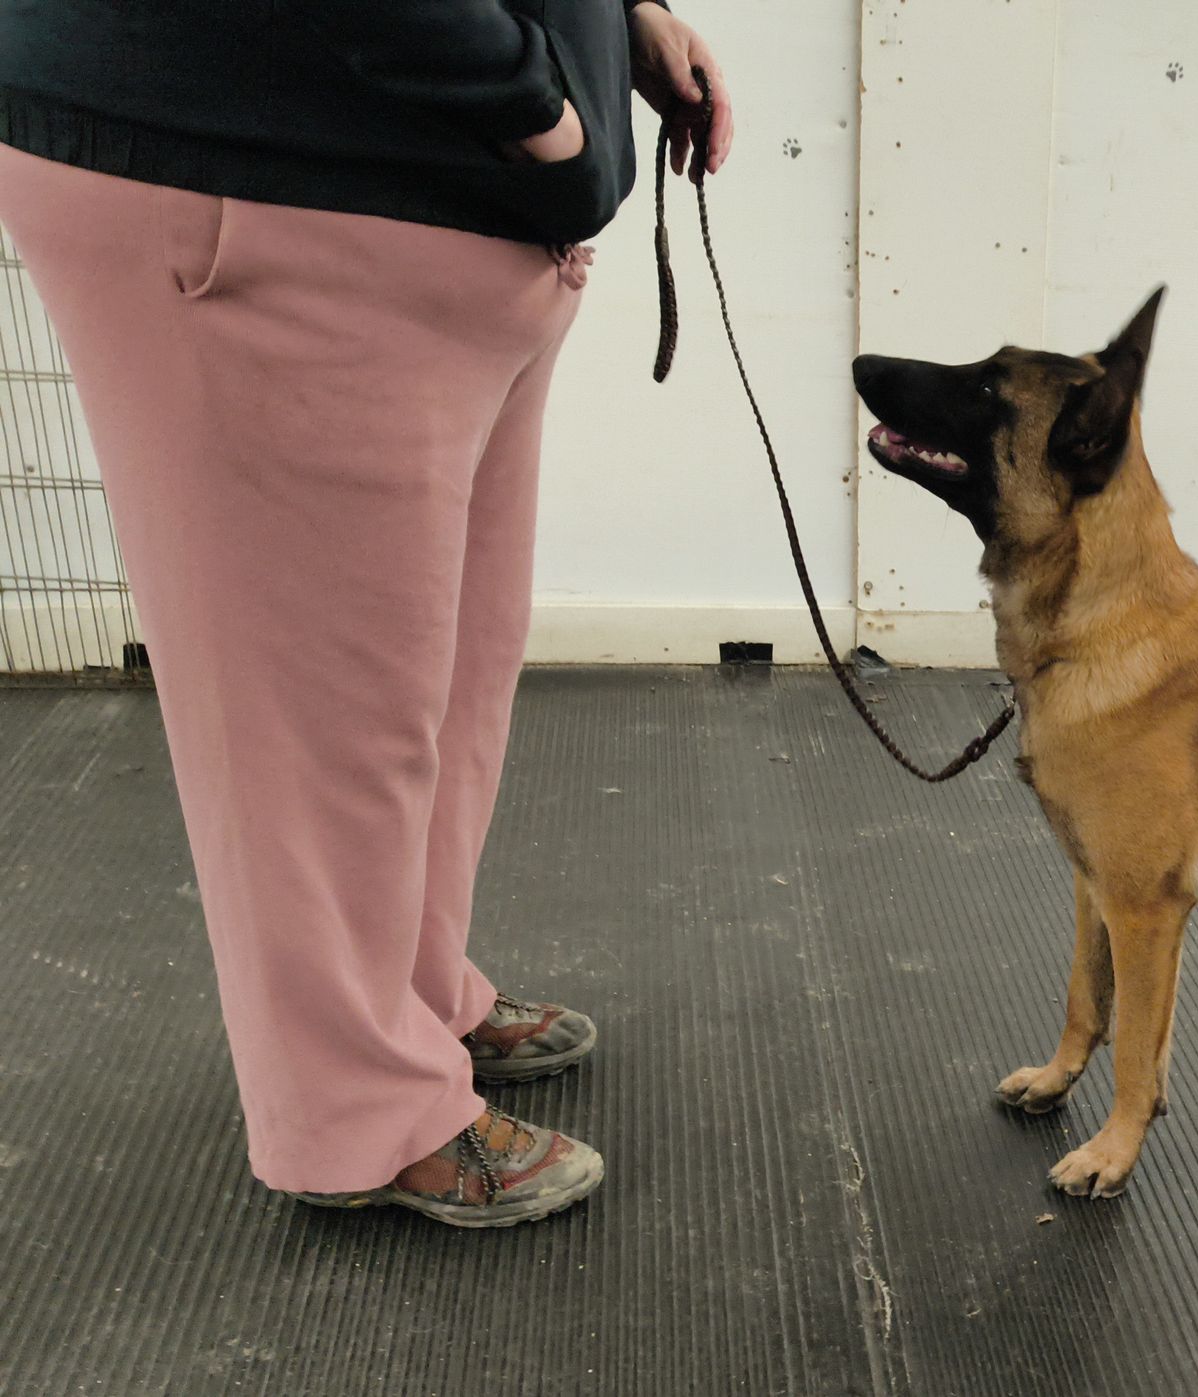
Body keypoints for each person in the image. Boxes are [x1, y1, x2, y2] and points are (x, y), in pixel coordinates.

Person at [0, 0, 732, 1227]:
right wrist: (533, 102)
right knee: (316, 714)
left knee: (440, 672)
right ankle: (355, 1109)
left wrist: (625, 19)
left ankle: (409, 996)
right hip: (274, 180)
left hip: (421, 184)